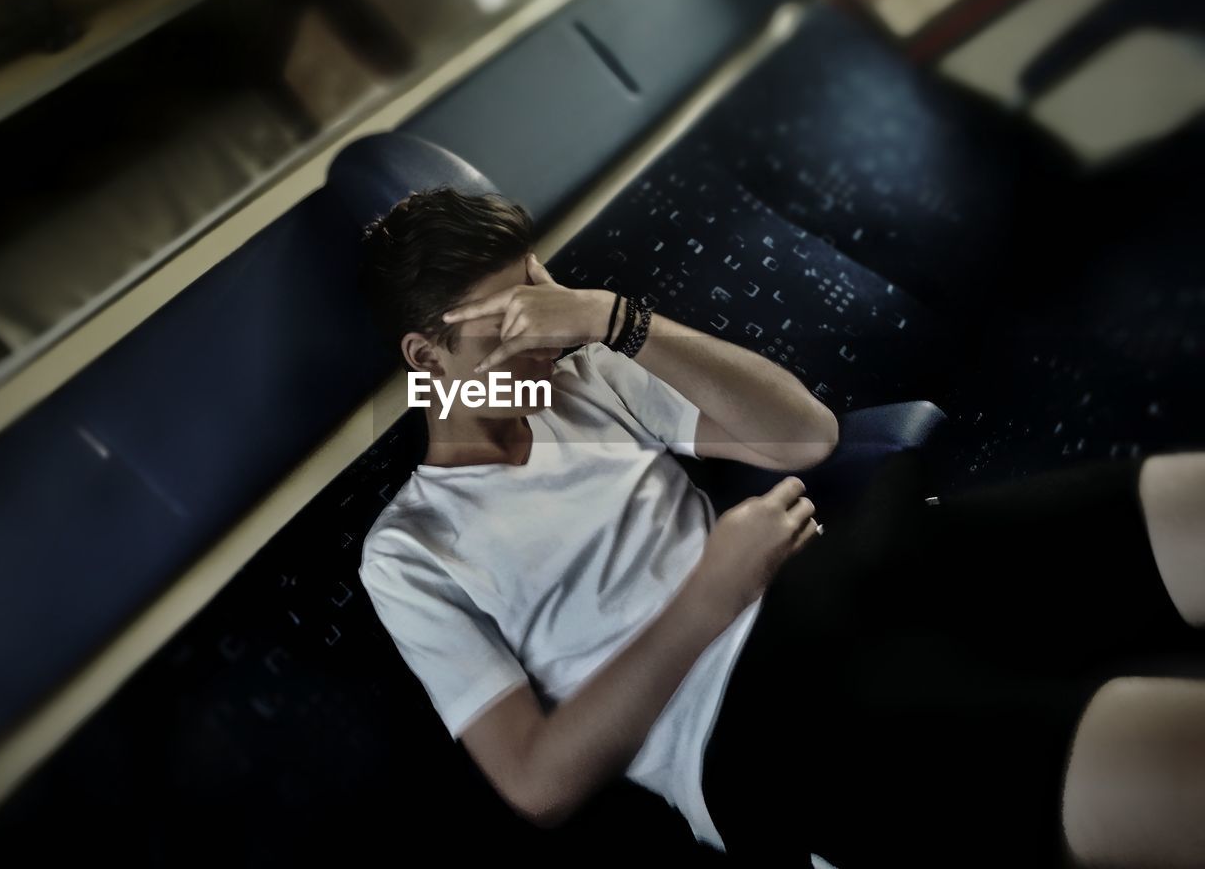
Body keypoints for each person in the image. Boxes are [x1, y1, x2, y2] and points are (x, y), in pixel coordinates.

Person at [354, 187, 1205, 868]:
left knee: (1181, 502)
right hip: (749, 724)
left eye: (541, 293)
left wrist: (616, 319)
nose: (542, 336)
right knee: (1175, 758)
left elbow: (808, 436)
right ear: (427, 357)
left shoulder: (585, 375)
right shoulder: (411, 550)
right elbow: (538, 782)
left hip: (837, 580)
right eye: (510, 323)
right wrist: (711, 595)